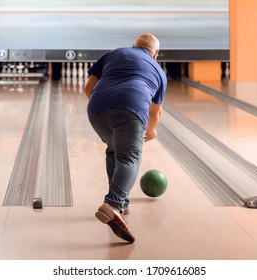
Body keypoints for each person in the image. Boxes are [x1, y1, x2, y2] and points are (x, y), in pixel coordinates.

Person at [84, 33, 167, 243]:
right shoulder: (158, 71)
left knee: (114, 150)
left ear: (134, 45)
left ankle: (123, 203)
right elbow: (155, 114)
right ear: (155, 54)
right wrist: (149, 132)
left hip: (96, 111)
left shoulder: (115, 53)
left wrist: (105, 108)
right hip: (131, 109)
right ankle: (113, 204)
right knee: (130, 157)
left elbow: (88, 88)